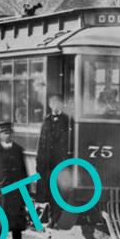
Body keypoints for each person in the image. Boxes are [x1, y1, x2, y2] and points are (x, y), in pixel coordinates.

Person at [36, 93, 74, 227]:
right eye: (53, 103)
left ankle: (56, 219)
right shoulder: (46, 121)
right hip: (48, 162)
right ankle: (50, 218)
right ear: (50, 105)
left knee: (59, 191)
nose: (55, 106)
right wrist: (39, 161)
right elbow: (41, 142)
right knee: (49, 191)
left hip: (61, 162)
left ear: (61, 105)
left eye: (58, 103)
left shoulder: (68, 121)